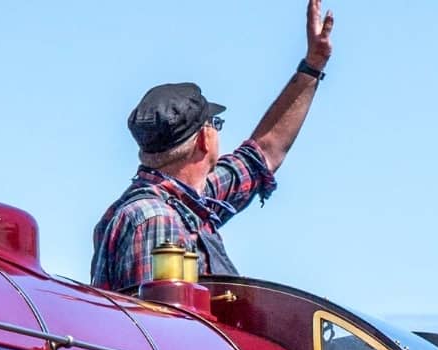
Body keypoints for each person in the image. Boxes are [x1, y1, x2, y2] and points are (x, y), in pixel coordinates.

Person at [90, 0, 336, 292]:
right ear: (205, 140)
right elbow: (160, 328)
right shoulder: (158, 221)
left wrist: (312, 66)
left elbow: (263, 153)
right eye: (215, 125)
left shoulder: (188, 201)